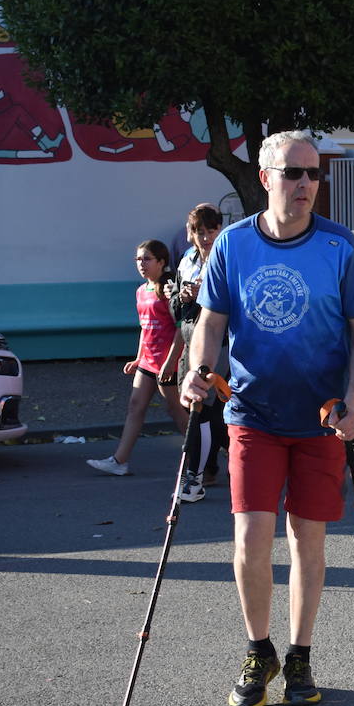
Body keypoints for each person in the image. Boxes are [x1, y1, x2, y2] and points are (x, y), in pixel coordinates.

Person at [180, 129, 354, 706]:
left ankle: (299, 655)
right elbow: (212, 323)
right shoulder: (234, 245)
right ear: (265, 178)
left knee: (307, 540)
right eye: (293, 173)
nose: (305, 185)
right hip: (252, 412)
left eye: (313, 174)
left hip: (321, 418)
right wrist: (199, 370)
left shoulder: (341, 248)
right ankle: (257, 649)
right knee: (250, 537)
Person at [87, 240, 189, 476]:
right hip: (147, 362)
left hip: (168, 363)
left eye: (147, 259)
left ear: (162, 262)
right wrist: (138, 358)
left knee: (176, 411)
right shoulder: (141, 291)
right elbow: (145, 328)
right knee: (135, 406)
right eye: (138, 260)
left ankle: (202, 458)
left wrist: (169, 362)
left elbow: (180, 328)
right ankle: (119, 461)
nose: (141, 264)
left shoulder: (168, 290)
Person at [164, 203, 229, 502]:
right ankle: (208, 470)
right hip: (191, 344)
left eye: (210, 230)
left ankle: (196, 477)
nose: (205, 237)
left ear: (219, 229)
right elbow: (177, 310)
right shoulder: (186, 261)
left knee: (208, 413)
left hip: (220, 347)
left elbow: (227, 309)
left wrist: (203, 295)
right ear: (190, 234)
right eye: (199, 231)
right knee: (202, 412)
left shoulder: (226, 259)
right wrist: (182, 296)